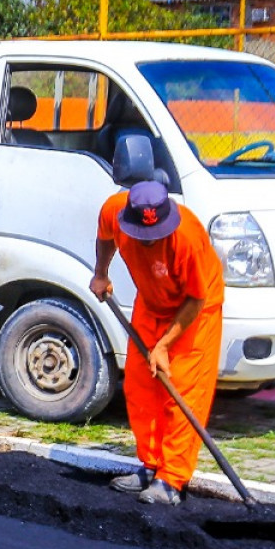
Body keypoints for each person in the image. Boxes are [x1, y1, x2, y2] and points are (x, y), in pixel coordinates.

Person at [89, 179, 225, 505]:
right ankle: (150, 466)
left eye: (156, 237)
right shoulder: (113, 209)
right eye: (143, 237)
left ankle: (172, 480)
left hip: (194, 311)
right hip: (151, 302)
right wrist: (101, 273)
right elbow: (105, 237)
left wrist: (163, 345)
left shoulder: (187, 239)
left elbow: (195, 299)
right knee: (139, 385)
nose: (150, 243)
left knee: (182, 392)